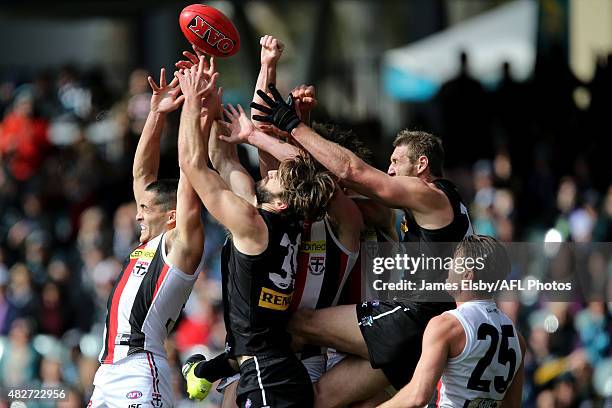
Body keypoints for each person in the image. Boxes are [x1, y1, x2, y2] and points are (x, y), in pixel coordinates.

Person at [251, 85, 473, 406]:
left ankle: (235, 366)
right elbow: (334, 182)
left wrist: (288, 126)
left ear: (422, 164)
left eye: (397, 162)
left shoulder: (427, 195)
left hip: (412, 320)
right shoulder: (430, 205)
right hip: (421, 328)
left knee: (300, 322)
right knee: (323, 398)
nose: (390, 170)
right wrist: (304, 124)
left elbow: (347, 171)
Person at [176, 56, 336, 408]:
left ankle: (204, 372)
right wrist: (213, 109)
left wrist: (190, 101)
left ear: (281, 203)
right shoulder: (283, 220)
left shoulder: (254, 223)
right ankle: (204, 372)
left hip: (268, 375)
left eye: (279, 179)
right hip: (272, 367)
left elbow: (192, 163)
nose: (273, 172)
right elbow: (226, 160)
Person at [89, 68, 205, 408]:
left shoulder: (178, 244)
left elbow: (189, 170)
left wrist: (194, 107)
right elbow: (142, 173)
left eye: (146, 209)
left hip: (140, 368)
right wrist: (156, 113)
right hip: (106, 371)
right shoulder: (147, 243)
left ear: (171, 215)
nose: (138, 215)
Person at [379, 235, 525, 408]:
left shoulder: (447, 325)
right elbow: (512, 405)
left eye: (455, 261)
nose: (448, 266)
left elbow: (417, 396)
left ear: (468, 275)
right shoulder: (517, 338)